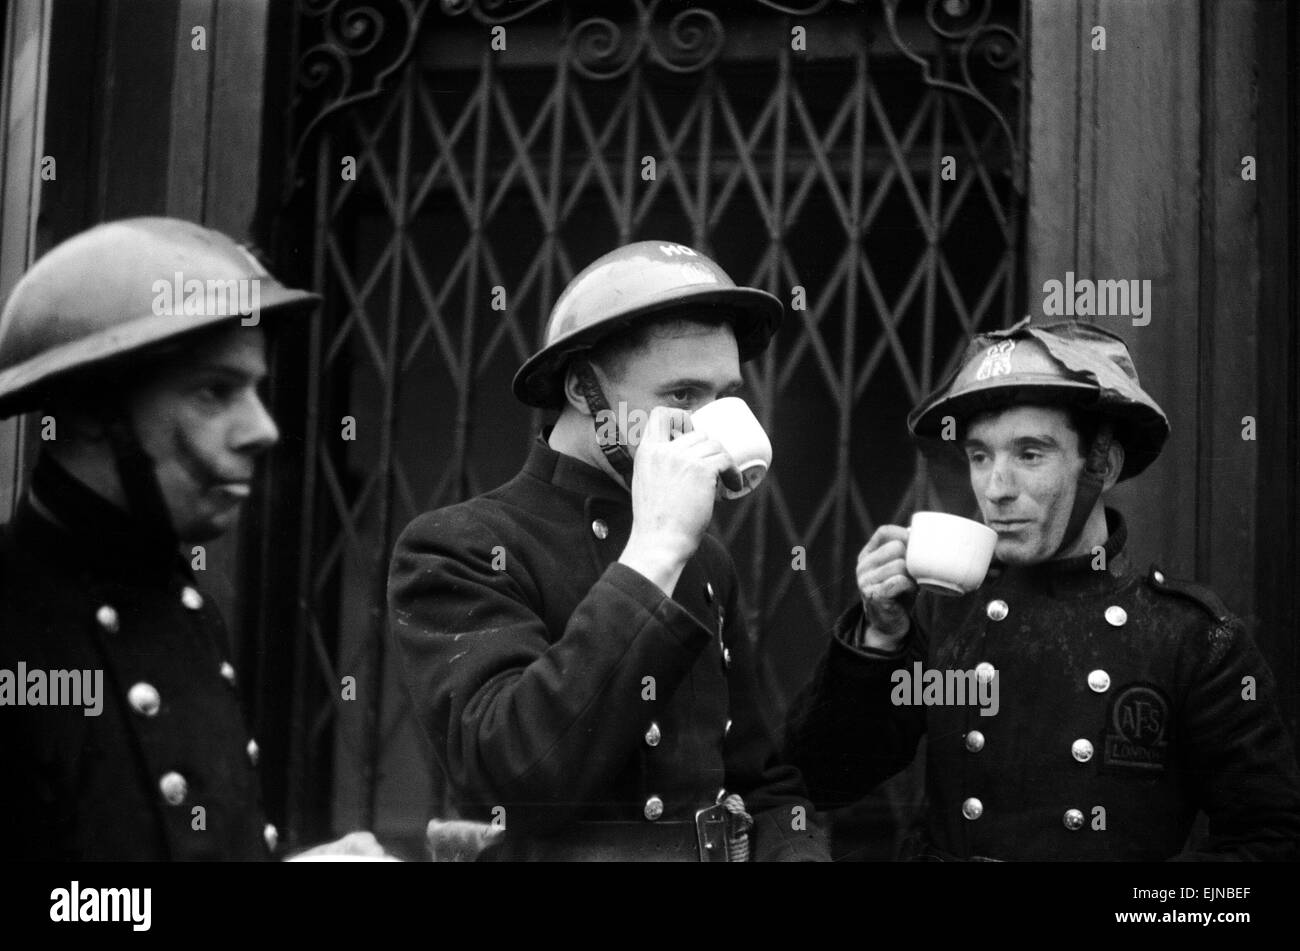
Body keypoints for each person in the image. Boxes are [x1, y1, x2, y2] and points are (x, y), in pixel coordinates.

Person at [785, 318, 1300, 861]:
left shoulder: (1190, 637)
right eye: (981, 456)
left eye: (1030, 454)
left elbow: (1270, 843)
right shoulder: (949, 613)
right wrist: (878, 639)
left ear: (1102, 465)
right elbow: (821, 779)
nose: (997, 489)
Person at [389, 240, 829, 861]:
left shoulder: (706, 561)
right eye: (681, 396)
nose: (709, 422)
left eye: (725, 396)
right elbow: (515, 775)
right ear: (581, 389)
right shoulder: (464, 544)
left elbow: (759, 782)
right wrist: (652, 554)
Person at [0, 217, 383, 860]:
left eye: (254, 390)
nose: (262, 429)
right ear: (95, 409)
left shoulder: (183, 604)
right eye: (215, 391)